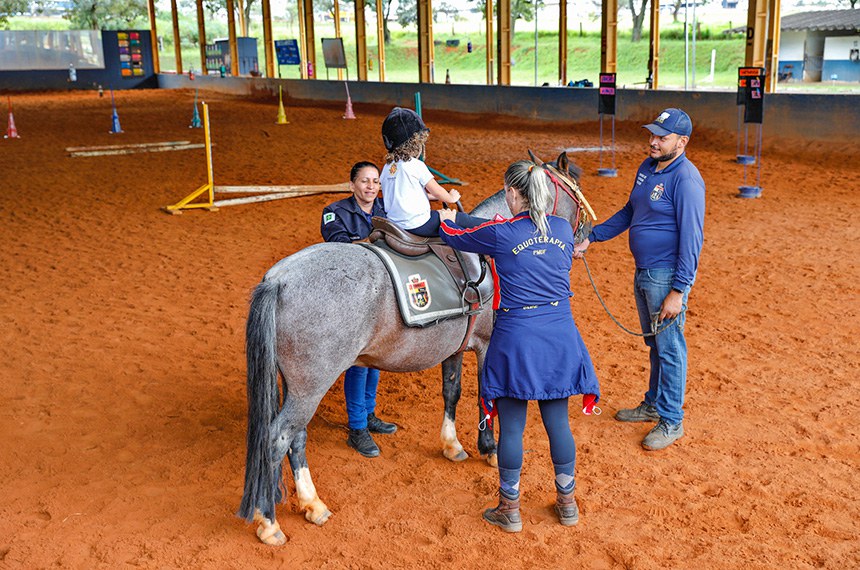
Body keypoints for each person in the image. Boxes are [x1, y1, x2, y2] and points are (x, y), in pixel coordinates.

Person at [438, 160, 600, 533]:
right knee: (558, 423)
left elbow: (455, 236)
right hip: (560, 335)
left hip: (518, 338)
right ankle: (567, 503)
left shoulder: (502, 233)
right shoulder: (563, 229)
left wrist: (446, 218)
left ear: (512, 193)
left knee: (512, 429)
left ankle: (510, 509)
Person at [573, 108, 705, 451]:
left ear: (682, 142)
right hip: (644, 272)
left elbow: (692, 239)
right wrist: (592, 237)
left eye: (662, 137)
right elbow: (630, 211)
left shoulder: (686, 180)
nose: (653, 141)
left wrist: (679, 290)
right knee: (656, 345)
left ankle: (672, 420)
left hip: (665, 276)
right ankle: (654, 404)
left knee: (670, 348)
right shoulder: (647, 168)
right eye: (652, 135)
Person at [321, 161, 397, 458]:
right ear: (351, 184)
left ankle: (368, 414)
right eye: (365, 181)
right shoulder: (334, 212)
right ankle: (357, 427)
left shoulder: (385, 209)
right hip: (349, 296)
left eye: (376, 181)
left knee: (374, 357)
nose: (371, 187)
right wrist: (373, 241)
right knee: (358, 361)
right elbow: (339, 247)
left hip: (379, 294)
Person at [380, 107, 482, 237]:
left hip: (396, 224)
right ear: (415, 143)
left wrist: (431, 197)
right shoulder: (416, 165)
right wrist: (451, 197)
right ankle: (497, 226)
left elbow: (401, 196)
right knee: (461, 218)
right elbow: (437, 191)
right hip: (418, 224)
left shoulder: (387, 167)